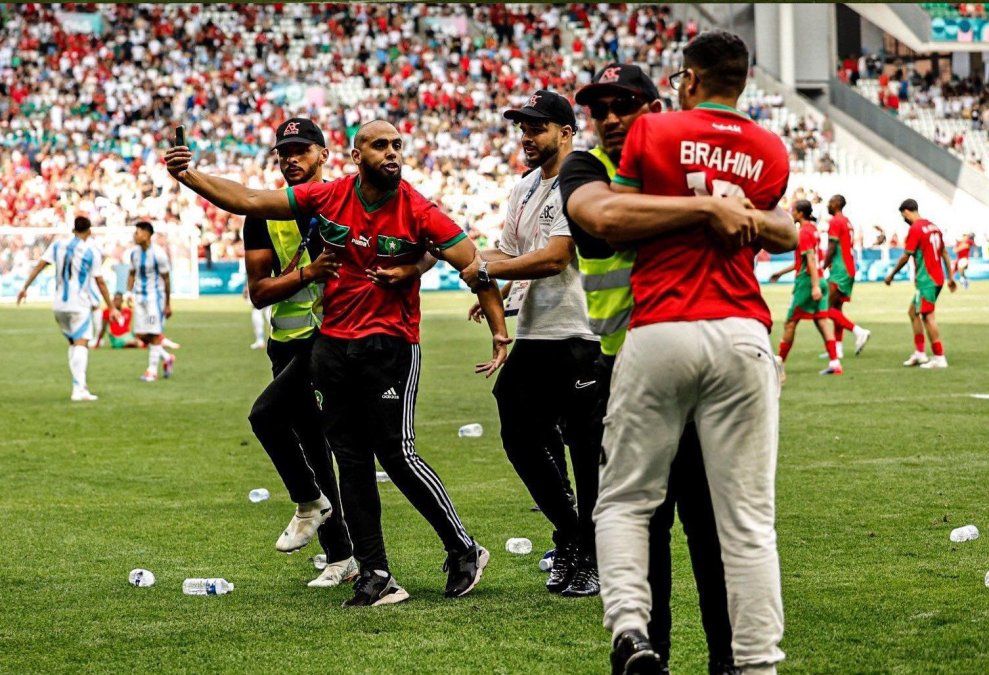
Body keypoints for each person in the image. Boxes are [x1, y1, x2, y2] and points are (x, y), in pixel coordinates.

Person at [165, 119, 509, 607]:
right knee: (349, 460)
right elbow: (249, 200)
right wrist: (190, 177)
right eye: (379, 145)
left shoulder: (419, 208)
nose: (392, 153)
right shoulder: (326, 197)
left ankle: (464, 549)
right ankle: (376, 573)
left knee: (398, 454)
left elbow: (472, 264)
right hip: (332, 346)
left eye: (397, 145)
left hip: (390, 346)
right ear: (354, 154)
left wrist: (497, 329)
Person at [559, 61, 797, 673]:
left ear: (660, 104)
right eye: (599, 109)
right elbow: (602, 219)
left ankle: (725, 660)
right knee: (648, 531)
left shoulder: (690, 156)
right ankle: (645, 655)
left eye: (626, 104)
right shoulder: (587, 167)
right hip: (618, 366)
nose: (611, 119)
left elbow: (782, 229)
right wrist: (708, 209)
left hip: (681, 346)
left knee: (711, 530)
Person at [462, 90, 602, 597]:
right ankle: (572, 531)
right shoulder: (523, 187)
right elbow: (511, 249)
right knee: (520, 429)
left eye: (537, 127)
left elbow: (554, 258)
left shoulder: (577, 181)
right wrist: (483, 270)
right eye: (522, 126)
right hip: (537, 331)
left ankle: (590, 553)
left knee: (586, 451)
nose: (526, 135)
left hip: (580, 334)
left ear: (566, 132)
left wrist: (489, 269)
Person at [16, 216, 119, 401]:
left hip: (59, 305)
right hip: (79, 303)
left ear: (73, 229)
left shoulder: (57, 245)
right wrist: (111, 307)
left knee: (73, 343)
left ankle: (78, 385)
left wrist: (24, 288)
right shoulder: (91, 250)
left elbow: (40, 265)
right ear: (89, 231)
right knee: (82, 342)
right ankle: (79, 390)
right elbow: (100, 281)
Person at [771, 200, 843, 376]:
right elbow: (804, 260)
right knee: (822, 321)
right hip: (820, 278)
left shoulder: (803, 233)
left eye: (793, 211)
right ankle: (835, 363)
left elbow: (810, 259)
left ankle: (779, 362)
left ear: (800, 213)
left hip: (807, 282)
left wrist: (815, 286)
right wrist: (781, 272)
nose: (791, 213)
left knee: (790, 322)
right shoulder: (813, 230)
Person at [884, 199, 956, 369]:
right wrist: (950, 277)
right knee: (913, 312)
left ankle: (939, 358)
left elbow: (906, 255)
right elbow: (944, 252)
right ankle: (920, 353)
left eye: (903, 215)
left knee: (927, 316)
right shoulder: (933, 227)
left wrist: (891, 275)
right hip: (936, 277)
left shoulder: (915, 229)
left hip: (927, 279)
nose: (904, 219)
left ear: (907, 211)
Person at [127, 221, 176, 381]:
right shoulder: (134, 253)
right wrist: (128, 292)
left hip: (155, 299)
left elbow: (166, 279)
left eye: (138, 232)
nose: (135, 235)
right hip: (139, 297)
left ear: (147, 235)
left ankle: (152, 371)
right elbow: (132, 273)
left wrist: (167, 303)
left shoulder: (159, 254)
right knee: (140, 334)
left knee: (154, 333)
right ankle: (167, 358)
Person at [822, 195, 870, 356]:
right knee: (837, 309)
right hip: (849, 267)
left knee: (826, 308)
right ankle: (838, 349)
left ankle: (858, 331)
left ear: (836, 204)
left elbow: (832, 247)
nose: (827, 205)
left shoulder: (835, 221)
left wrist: (823, 266)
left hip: (840, 270)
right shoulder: (847, 221)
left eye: (830, 202)